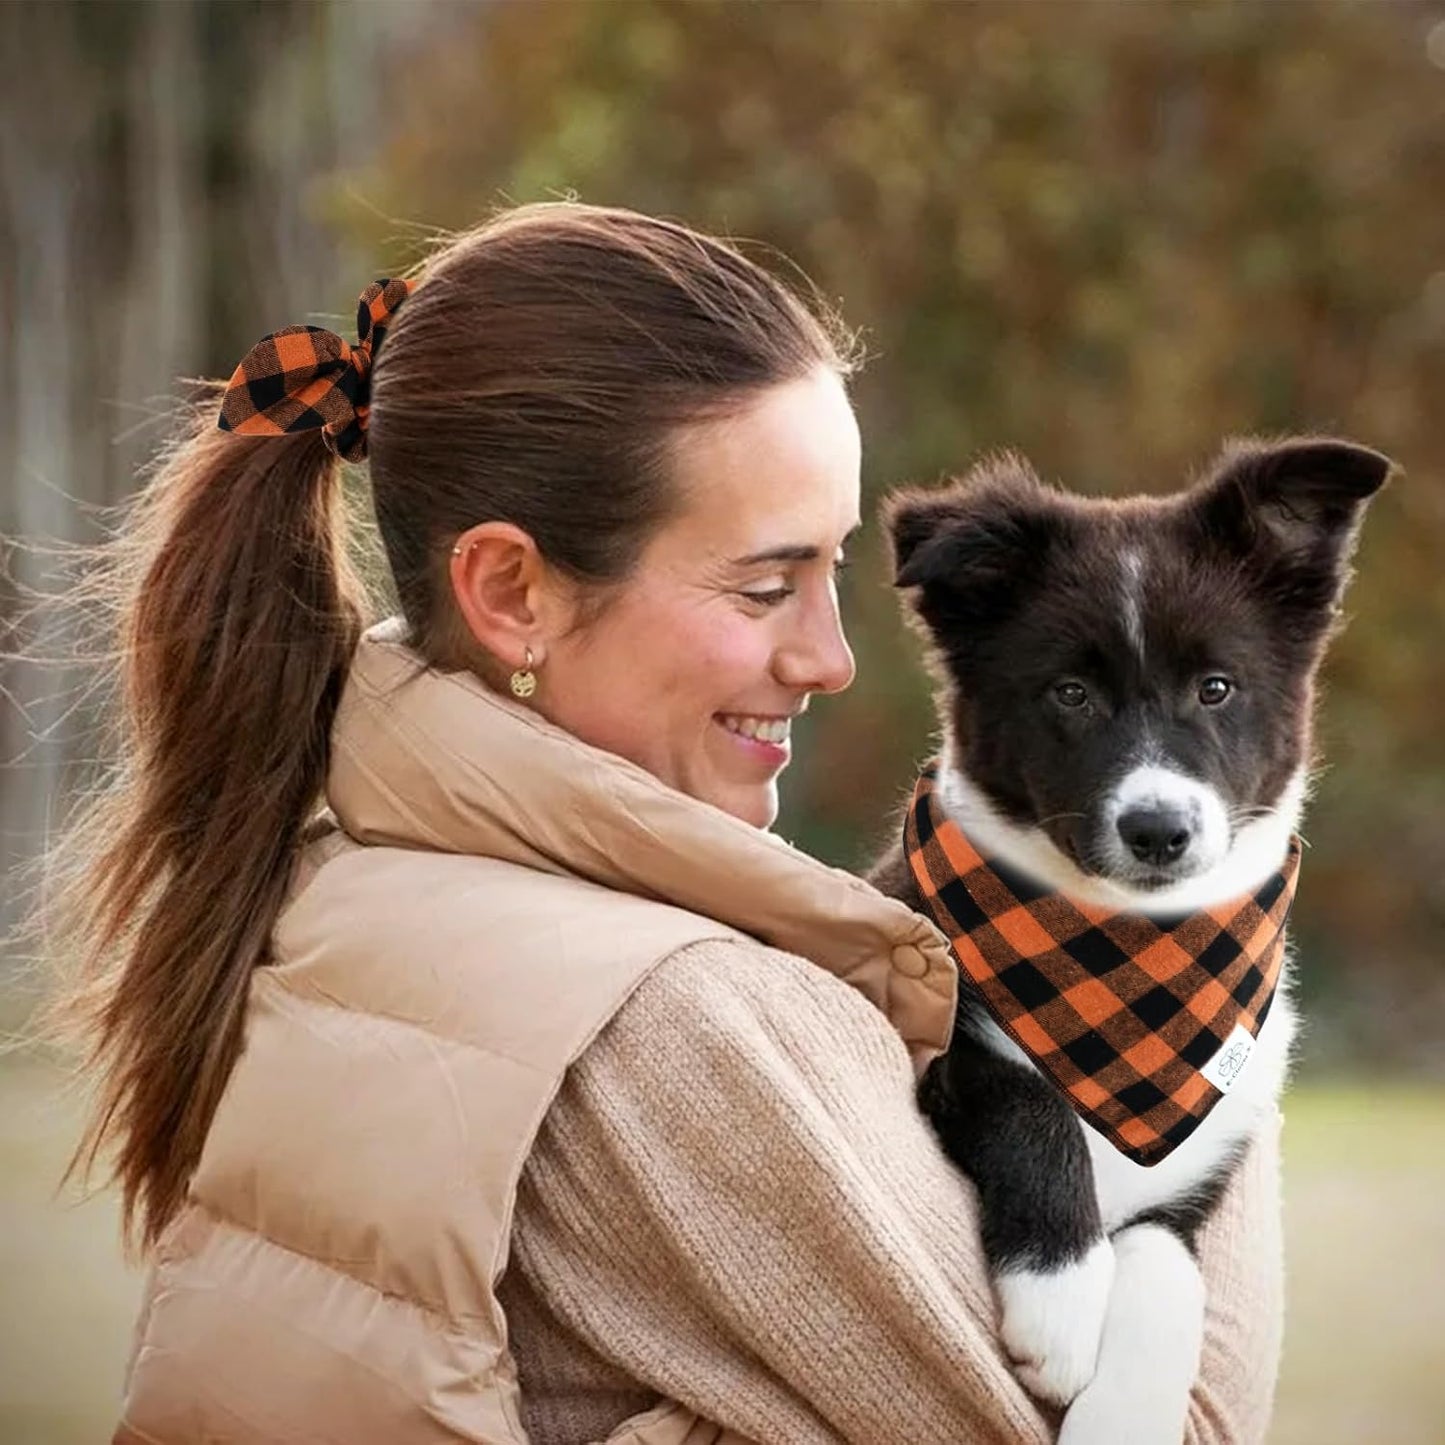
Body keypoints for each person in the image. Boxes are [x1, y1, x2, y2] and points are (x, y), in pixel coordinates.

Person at [45, 203, 1282, 1443]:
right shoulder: (683, 1025)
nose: (831, 657)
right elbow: (1188, 1428)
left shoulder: (335, 877)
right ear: (509, 592)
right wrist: (1207, 969)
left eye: (833, 571)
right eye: (763, 584)